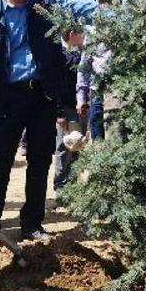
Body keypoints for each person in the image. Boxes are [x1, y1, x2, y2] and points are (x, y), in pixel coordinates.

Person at [0, 0, 95, 239]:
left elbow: (76, 8)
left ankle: (32, 224)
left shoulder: (47, 4)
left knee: (40, 160)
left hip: (42, 96)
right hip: (4, 98)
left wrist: (110, 9)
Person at [76, 0, 116, 140]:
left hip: (120, 89)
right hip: (97, 90)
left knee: (116, 132)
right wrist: (82, 98)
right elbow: (84, 66)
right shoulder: (92, 33)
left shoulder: (128, 32)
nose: (105, 6)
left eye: (108, 2)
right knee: (96, 129)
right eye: (102, 3)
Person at [54, 30, 88, 192]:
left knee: (78, 145)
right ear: (72, 34)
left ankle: (73, 187)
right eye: (81, 33)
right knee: (64, 146)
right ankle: (61, 186)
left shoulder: (84, 53)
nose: (84, 35)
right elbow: (57, 87)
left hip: (81, 107)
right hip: (67, 108)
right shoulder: (59, 55)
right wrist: (59, 113)